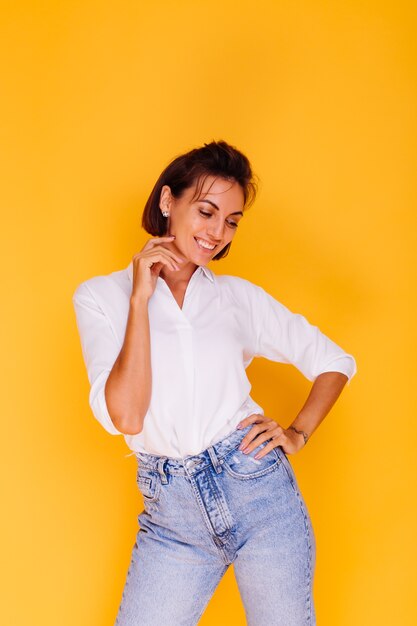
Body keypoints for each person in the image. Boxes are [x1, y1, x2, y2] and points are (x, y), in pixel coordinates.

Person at [72, 140, 357, 626]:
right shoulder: (101, 298)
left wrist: (297, 432)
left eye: (231, 221)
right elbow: (127, 415)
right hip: (171, 516)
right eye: (206, 211)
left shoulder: (236, 299)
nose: (217, 233)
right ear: (168, 202)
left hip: (257, 492)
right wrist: (140, 300)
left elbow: (335, 361)